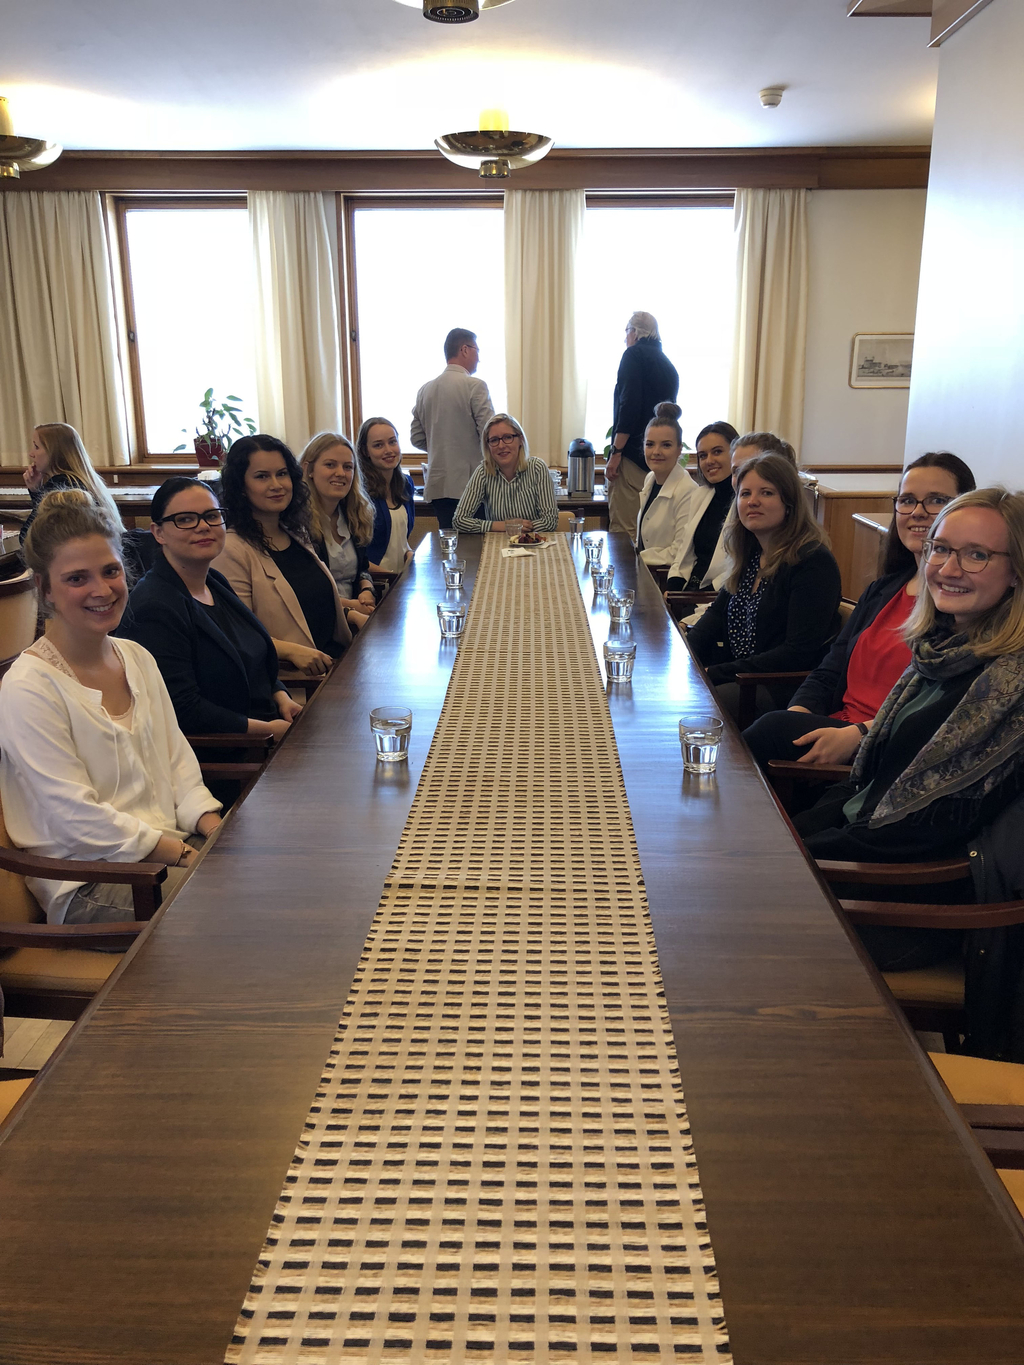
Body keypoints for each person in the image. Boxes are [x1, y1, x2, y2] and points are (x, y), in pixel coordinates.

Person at [797, 488, 1024, 972]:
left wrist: (788, 854)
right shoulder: (941, 650)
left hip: (913, 903)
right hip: (863, 859)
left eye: (977, 555)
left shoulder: (1009, 688)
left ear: (1017, 572)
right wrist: (787, 837)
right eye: (941, 548)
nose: (948, 568)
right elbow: (869, 787)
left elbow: (921, 833)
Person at [0, 490, 222, 926]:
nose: (101, 590)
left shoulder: (136, 657)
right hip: (91, 881)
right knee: (238, 905)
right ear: (44, 588)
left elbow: (176, 760)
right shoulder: (28, 687)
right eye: (76, 578)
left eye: (110, 571)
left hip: (168, 850)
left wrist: (213, 826)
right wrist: (181, 854)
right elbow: (74, 817)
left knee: (274, 869)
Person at [745, 452, 976, 770]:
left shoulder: (960, 604)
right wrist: (798, 714)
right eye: (907, 500)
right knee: (773, 727)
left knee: (763, 734)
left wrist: (858, 733)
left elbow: (936, 709)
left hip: (886, 745)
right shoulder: (883, 589)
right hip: (836, 728)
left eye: (936, 500)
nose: (917, 512)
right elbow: (829, 671)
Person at [118, 477, 302, 740]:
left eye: (212, 516)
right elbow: (183, 710)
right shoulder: (154, 607)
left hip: (269, 729)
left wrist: (281, 697)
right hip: (232, 751)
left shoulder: (214, 582)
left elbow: (253, 656)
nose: (203, 526)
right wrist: (267, 730)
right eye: (185, 519)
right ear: (158, 533)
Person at [686, 452, 842, 720]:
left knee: (693, 705)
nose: (752, 501)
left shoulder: (812, 562)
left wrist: (715, 673)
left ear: (789, 503)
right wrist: (685, 656)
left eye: (766, 493)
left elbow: (796, 653)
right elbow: (716, 615)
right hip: (739, 676)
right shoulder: (751, 554)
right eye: (745, 494)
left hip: (779, 688)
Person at [214, 435, 351, 677]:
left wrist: (352, 615)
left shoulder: (296, 533)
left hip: (339, 663)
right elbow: (238, 633)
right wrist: (289, 651)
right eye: (262, 477)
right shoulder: (231, 550)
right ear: (241, 487)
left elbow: (311, 600)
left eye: (282, 474)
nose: (277, 485)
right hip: (295, 681)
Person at [411, 328, 495, 530]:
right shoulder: (475, 386)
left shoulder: (424, 390)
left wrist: (441, 446)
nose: (479, 358)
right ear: (464, 350)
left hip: (437, 485)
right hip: (472, 484)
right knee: (476, 543)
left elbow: (416, 438)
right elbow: (490, 435)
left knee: (448, 542)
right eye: (477, 351)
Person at [606, 312, 679, 537]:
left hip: (632, 458)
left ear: (635, 333)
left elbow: (629, 406)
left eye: (626, 332)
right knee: (650, 534)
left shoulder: (633, 356)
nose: (625, 338)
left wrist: (616, 452)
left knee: (624, 533)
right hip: (658, 465)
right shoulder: (668, 365)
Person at [300, 432, 377, 630]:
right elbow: (303, 592)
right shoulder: (297, 522)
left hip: (356, 619)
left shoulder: (355, 515)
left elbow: (362, 568)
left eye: (348, 467)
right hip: (317, 626)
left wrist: (367, 589)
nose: (341, 473)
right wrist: (351, 606)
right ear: (309, 469)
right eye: (330, 465)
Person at [662, 420, 739, 591]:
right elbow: (683, 554)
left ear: (736, 453)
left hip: (717, 595)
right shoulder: (700, 495)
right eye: (703, 455)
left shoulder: (745, 502)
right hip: (688, 591)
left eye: (717, 452)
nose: (709, 461)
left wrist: (700, 596)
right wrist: (674, 587)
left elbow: (739, 566)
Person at [452, 414, 559, 535]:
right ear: (488, 446)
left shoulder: (537, 468)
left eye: (508, 437)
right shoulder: (483, 472)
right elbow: (459, 521)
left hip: (532, 543)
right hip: (496, 545)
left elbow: (550, 521)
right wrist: (504, 525)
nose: (501, 446)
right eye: (494, 440)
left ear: (520, 440)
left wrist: (519, 528)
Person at [19, 423, 119, 546]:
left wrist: (37, 493)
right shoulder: (83, 479)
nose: (31, 454)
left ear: (55, 452)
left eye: (36, 447)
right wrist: (36, 491)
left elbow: (29, 539)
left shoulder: (61, 485)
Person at [635, 402, 697, 575]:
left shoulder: (688, 491)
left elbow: (680, 552)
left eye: (666, 445)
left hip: (666, 580)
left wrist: (637, 557)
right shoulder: (650, 478)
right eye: (650, 444)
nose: (656, 451)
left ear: (679, 450)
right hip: (644, 571)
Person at [356, 417, 416, 573]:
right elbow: (354, 557)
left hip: (400, 578)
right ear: (365, 451)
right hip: (373, 581)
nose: (388, 450)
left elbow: (399, 540)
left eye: (392, 442)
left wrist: (409, 553)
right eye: (378, 445)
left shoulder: (406, 485)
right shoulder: (359, 492)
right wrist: (392, 577)